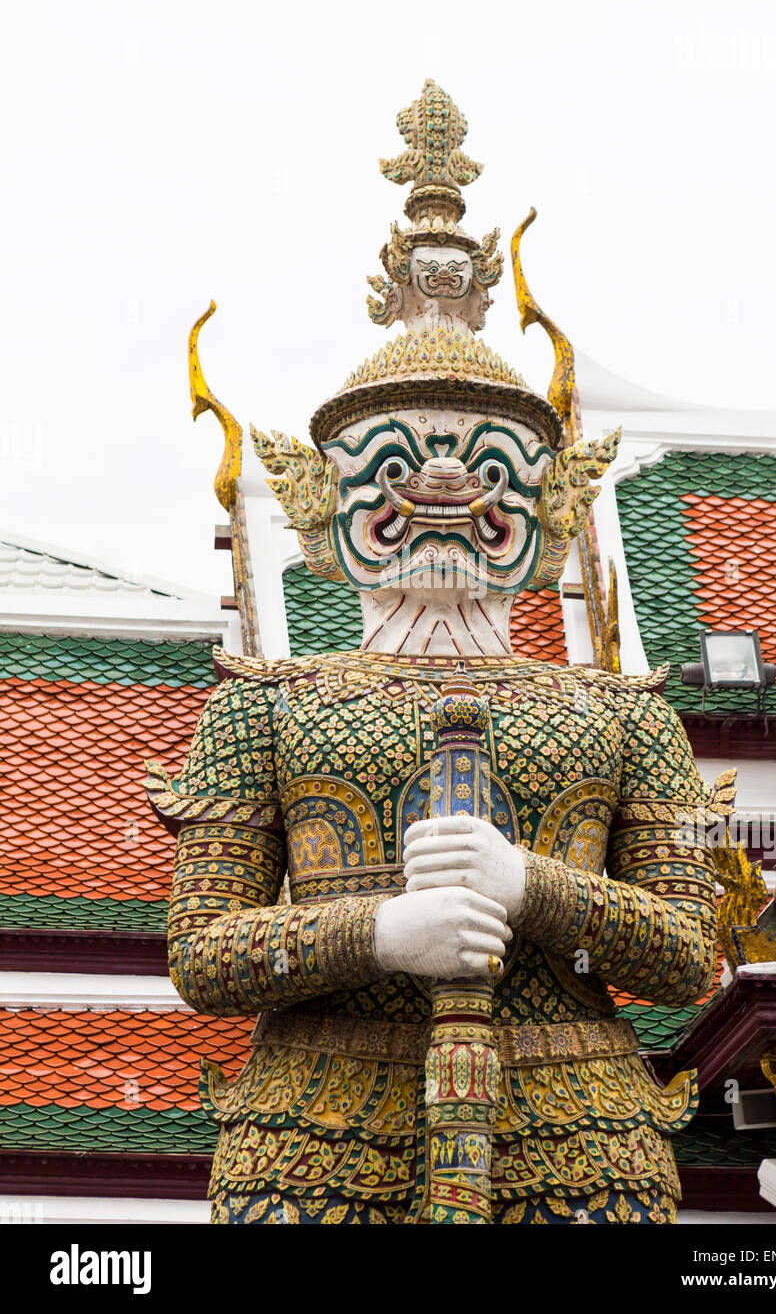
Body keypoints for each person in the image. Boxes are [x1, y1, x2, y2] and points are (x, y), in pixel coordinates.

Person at [147, 81, 718, 1225]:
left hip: (578, 1137)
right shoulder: (267, 707)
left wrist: (533, 886)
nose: (447, 485)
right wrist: (379, 928)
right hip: (317, 1128)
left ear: (548, 498)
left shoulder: (617, 712)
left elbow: (686, 955)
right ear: (325, 499)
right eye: (401, 461)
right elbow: (203, 953)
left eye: (484, 460)